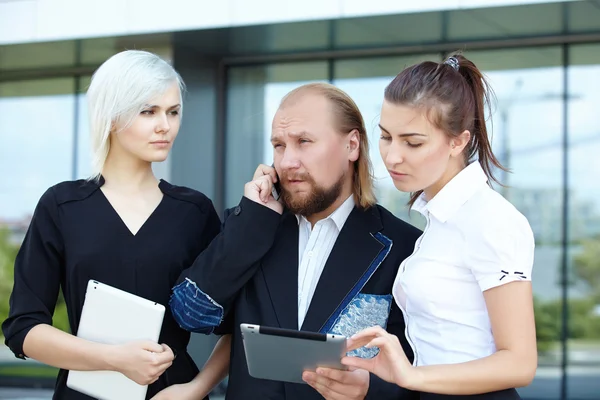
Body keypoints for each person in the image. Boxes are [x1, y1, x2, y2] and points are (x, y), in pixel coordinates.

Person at [167, 82, 422, 400]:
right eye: (279, 145)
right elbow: (190, 313)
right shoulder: (250, 228)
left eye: (304, 141)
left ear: (352, 145)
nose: (287, 161)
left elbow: (420, 376)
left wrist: (371, 390)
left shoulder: (404, 246)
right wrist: (250, 225)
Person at [1, 50, 222, 400]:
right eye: (148, 111)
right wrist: (114, 359)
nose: (165, 125)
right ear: (112, 115)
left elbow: (235, 322)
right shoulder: (62, 206)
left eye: (173, 112)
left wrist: (195, 389)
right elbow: (23, 328)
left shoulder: (194, 212)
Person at [340, 53, 537, 400]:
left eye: (412, 142)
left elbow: (519, 363)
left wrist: (412, 376)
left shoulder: (490, 220)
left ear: (458, 141)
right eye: (386, 137)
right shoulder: (439, 221)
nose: (393, 156)